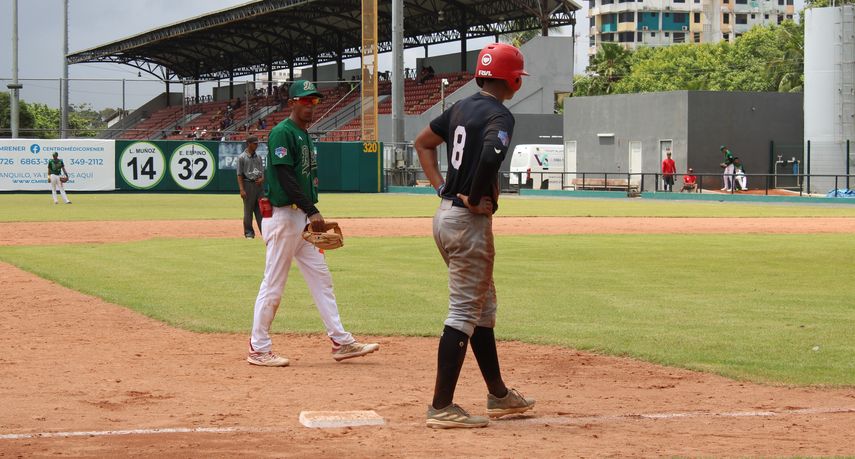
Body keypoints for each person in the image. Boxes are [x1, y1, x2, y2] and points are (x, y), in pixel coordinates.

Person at [414, 43, 535, 429]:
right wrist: (475, 194)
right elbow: (489, 155)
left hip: (444, 216)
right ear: (512, 78)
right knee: (465, 311)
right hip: (467, 222)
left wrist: (441, 187)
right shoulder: (500, 114)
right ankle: (441, 406)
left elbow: (423, 143)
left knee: (482, 308)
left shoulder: (461, 106)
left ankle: (498, 395)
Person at [247, 80, 379, 367]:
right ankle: (258, 348)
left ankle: (341, 342)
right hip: (283, 216)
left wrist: (308, 213)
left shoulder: (305, 135)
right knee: (273, 284)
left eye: (315, 101)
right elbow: (284, 177)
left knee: (321, 279)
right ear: (293, 102)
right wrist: (312, 209)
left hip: (301, 219)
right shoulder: (283, 133)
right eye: (305, 100)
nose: (311, 106)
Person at [236, 135, 265, 238]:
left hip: (259, 186)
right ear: (248, 143)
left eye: (257, 143)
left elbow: (262, 172)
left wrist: (262, 178)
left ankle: (264, 232)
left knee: (261, 210)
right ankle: (249, 233)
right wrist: (242, 189)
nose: (257, 145)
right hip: (248, 184)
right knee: (248, 211)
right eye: (255, 143)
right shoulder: (242, 157)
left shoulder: (259, 157)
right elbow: (239, 174)